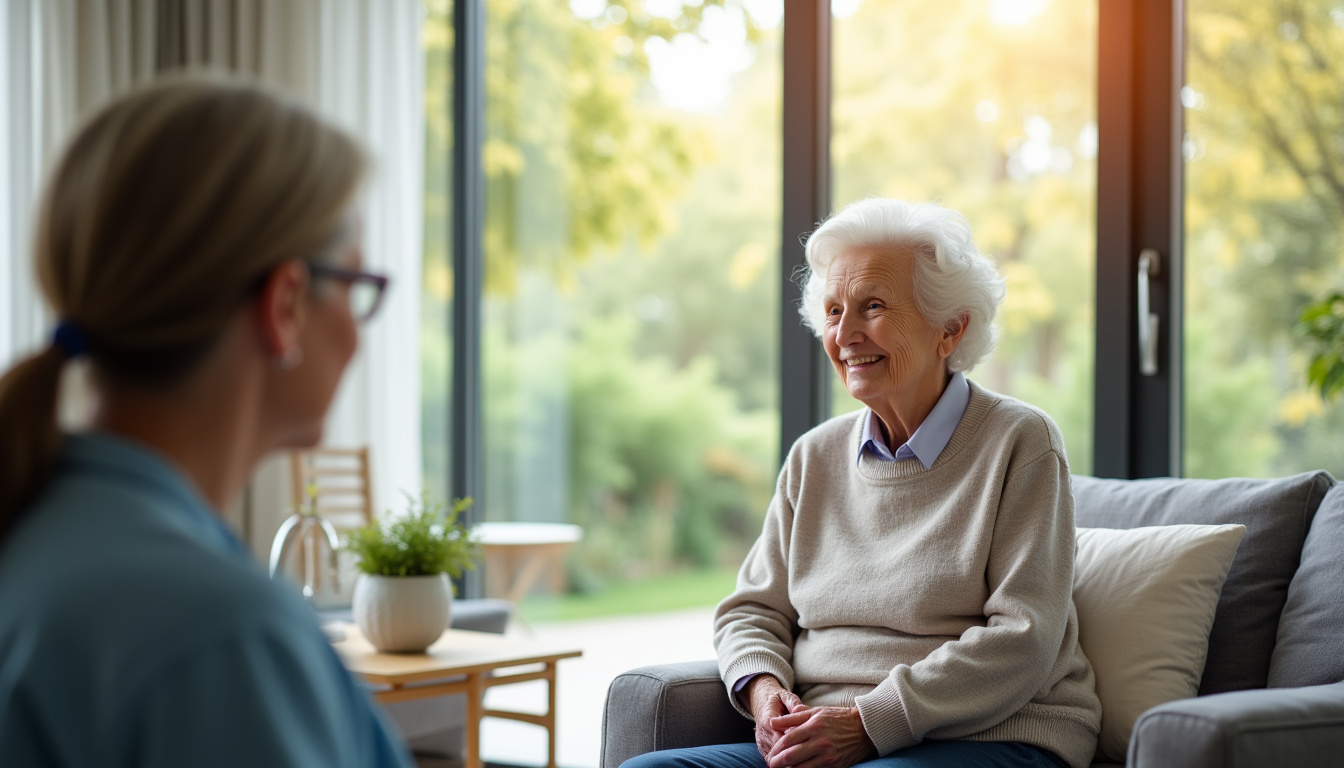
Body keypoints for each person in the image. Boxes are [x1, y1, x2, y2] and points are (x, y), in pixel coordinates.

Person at [0, 75, 412, 767]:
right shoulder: (220, 636)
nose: (359, 334)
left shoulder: (35, 528)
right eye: (356, 286)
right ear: (284, 304)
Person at [624, 199, 1102, 768]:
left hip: (991, 734)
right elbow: (751, 610)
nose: (845, 333)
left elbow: (1024, 638)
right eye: (832, 311)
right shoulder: (814, 456)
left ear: (950, 329)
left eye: (871, 306)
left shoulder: (1020, 442)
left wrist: (869, 723)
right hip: (822, 737)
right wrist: (765, 691)